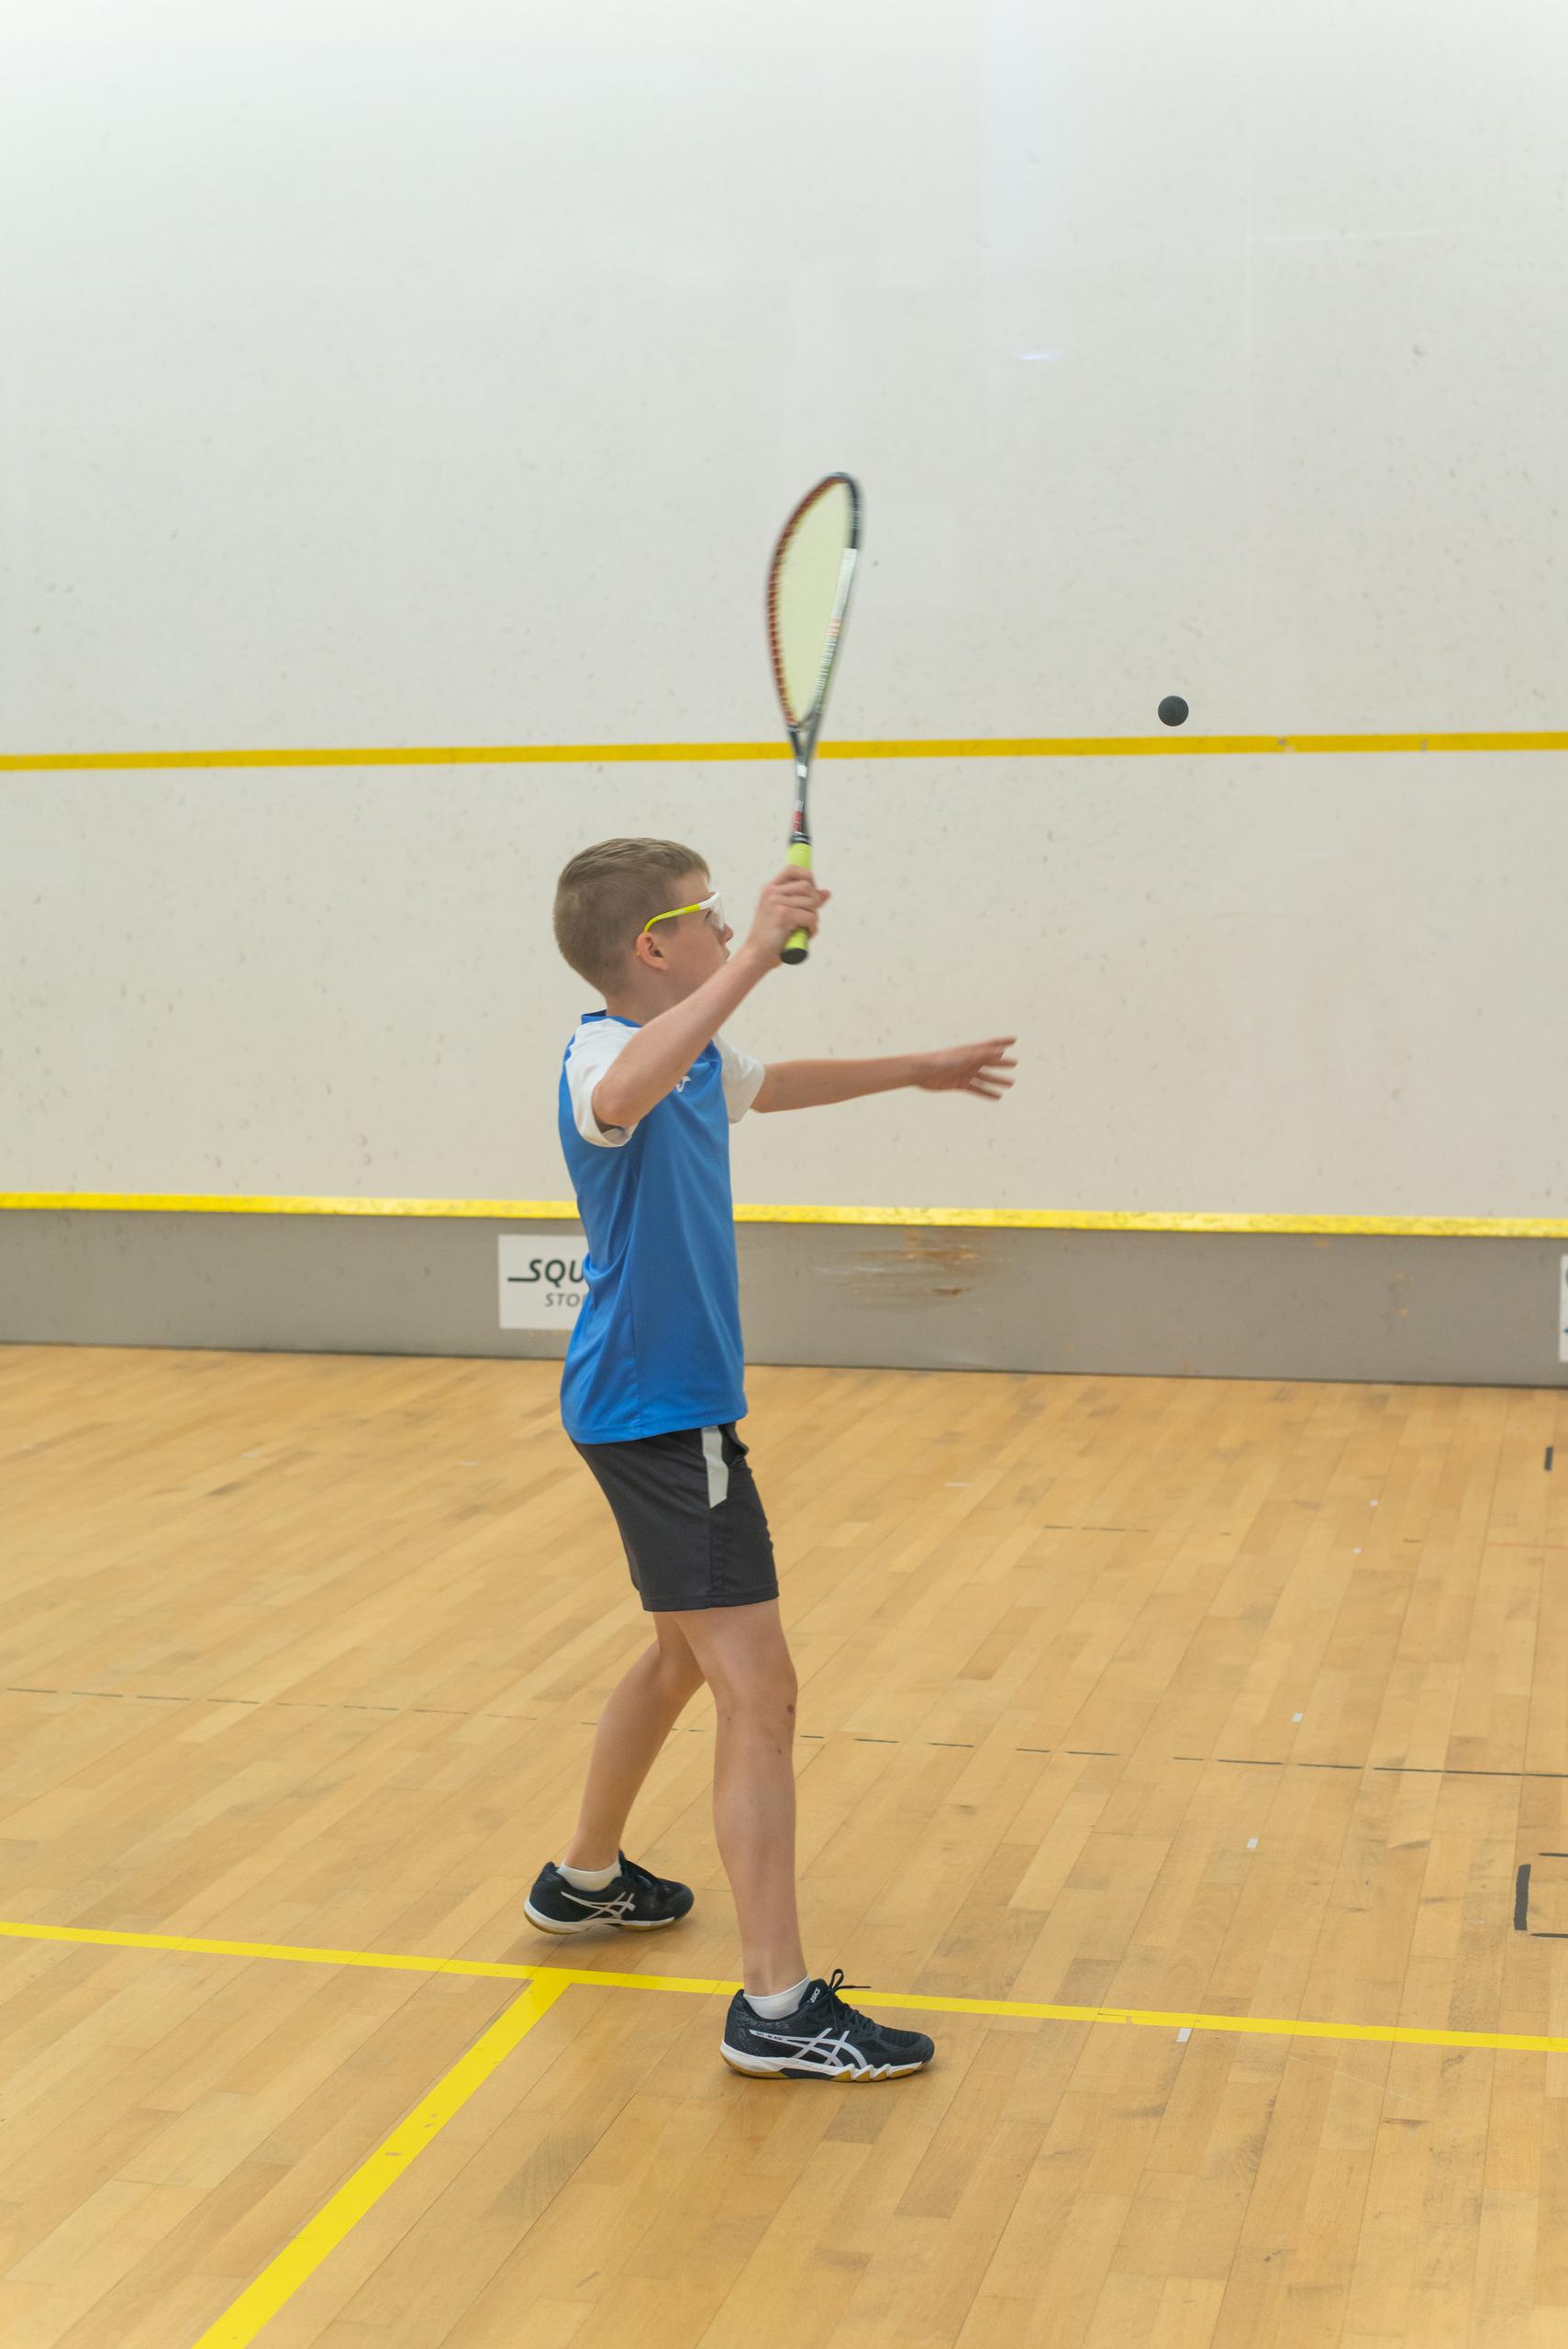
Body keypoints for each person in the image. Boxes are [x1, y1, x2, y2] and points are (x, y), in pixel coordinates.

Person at [526, 836, 1016, 2080]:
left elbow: (764, 1082)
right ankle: (777, 2005)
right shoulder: (603, 1056)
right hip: (658, 1413)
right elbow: (624, 1093)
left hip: (648, 1405)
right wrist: (752, 951)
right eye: (701, 913)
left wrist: (917, 1070)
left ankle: (583, 1878)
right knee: (761, 1690)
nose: (719, 925)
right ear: (656, 946)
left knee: (680, 1659)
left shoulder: (692, 1053)